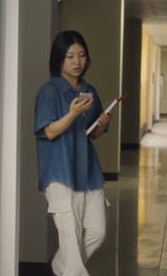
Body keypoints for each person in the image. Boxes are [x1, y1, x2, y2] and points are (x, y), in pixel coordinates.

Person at [34, 30, 111, 276]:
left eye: (81, 55)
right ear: (59, 59)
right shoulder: (49, 92)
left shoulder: (89, 90)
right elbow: (49, 132)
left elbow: (93, 135)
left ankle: (59, 266)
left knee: (97, 232)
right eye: (70, 56)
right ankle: (68, 269)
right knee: (71, 240)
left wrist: (103, 123)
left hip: (87, 172)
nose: (77, 62)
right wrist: (72, 114)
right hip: (59, 173)